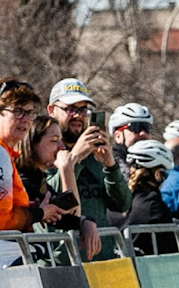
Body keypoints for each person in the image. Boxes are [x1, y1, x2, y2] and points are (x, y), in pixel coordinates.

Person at [45, 78, 131, 229]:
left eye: (83, 109)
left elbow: (122, 204)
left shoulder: (95, 153)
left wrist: (110, 166)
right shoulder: (43, 150)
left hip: (101, 242)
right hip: (65, 242)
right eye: (70, 109)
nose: (77, 115)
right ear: (51, 110)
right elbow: (51, 200)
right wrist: (75, 158)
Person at [0, 80, 66, 267]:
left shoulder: (6, 154)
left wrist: (28, 208)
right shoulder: (1, 155)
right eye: (17, 111)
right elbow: (2, 220)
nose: (25, 119)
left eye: (29, 113)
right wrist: (38, 213)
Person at [17, 114, 101, 261]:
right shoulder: (22, 181)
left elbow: (69, 216)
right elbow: (68, 215)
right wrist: (67, 169)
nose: (62, 147)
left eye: (61, 140)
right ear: (31, 143)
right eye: (54, 140)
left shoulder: (38, 177)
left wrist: (85, 220)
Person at [122, 140, 179, 255]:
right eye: (166, 174)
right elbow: (171, 249)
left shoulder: (122, 198)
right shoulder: (154, 205)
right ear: (157, 174)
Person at [109, 102, 154, 180]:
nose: (143, 133)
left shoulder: (157, 166)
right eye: (135, 127)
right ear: (118, 136)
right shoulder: (108, 167)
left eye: (147, 127)